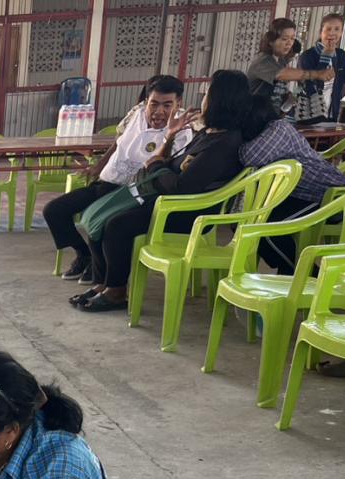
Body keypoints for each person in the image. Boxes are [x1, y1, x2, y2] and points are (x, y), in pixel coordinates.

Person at [73, 69, 254, 312]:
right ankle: (103, 284)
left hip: (187, 213)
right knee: (99, 216)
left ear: (220, 99)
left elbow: (183, 187)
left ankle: (116, 291)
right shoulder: (209, 134)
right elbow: (173, 166)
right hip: (165, 200)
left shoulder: (223, 145)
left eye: (208, 93)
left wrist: (157, 164)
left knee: (116, 226)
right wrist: (168, 138)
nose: (203, 99)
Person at [45, 75, 190, 283]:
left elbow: (162, 167)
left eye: (167, 105)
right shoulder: (137, 113)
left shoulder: (182, 130)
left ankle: (100, 275)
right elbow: (118, 141)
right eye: (154, 104)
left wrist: (170, 135)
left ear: (179, 104)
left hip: (132, 193)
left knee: (99, 222)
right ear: (146, 101)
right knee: (54, 210)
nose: (159, 112)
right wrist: (99, 166)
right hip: (107, 182)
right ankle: (84, 256)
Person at [241, 94, 345, 271]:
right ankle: (294, 274)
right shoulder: (269, 131)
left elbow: (250, 156)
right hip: (305, 194)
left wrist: (233, 138)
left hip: (330, 195)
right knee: (252, 223)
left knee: (267, 230)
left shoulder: (278, 129)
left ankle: (306, 275)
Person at [247, 19, 333, 118]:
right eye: (284, 39)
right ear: (271, 41)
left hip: (272, 119)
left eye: (292, 39)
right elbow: (281, 74)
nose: (289, 43)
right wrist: (317, 74)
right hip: (254, 120)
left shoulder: (281, 62)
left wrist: (288, 99)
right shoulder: (263, 61)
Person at [298, 13, 345, 122]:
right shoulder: (307, 56)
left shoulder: (341, 55)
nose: (332, 33)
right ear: (321, 32)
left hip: (331, 116)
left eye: (337, 29)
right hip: (309, 116)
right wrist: (326, 55)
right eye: (328, 29)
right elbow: (308, 85)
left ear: (341, 32)